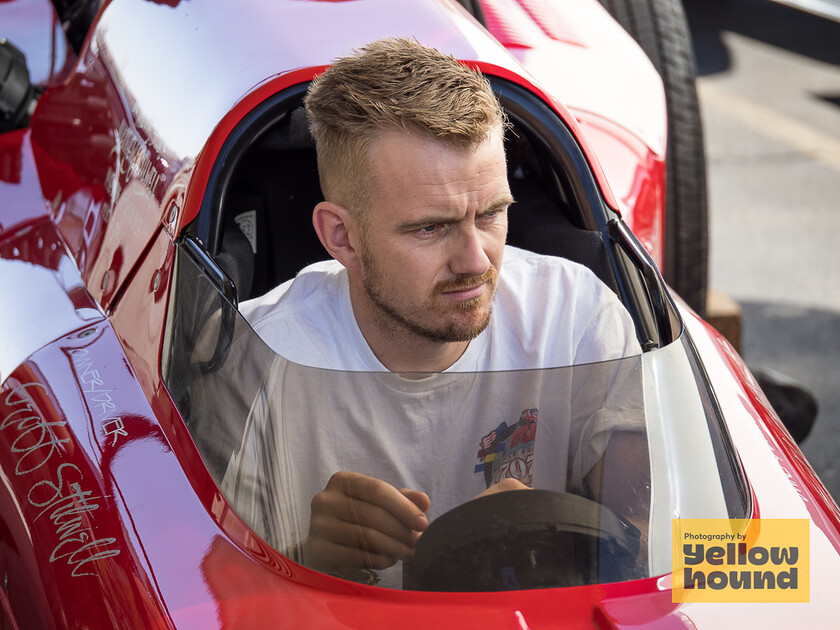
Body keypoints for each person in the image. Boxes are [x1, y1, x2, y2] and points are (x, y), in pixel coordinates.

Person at [222, 37, 647, 586]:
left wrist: (558, 533)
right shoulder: (256, 359)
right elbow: (203, 594)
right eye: (431, 227)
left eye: (492, 214)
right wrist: (309, 558)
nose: (476, 261)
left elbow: (678, 543)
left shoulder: (578, 316)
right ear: (341, 237)